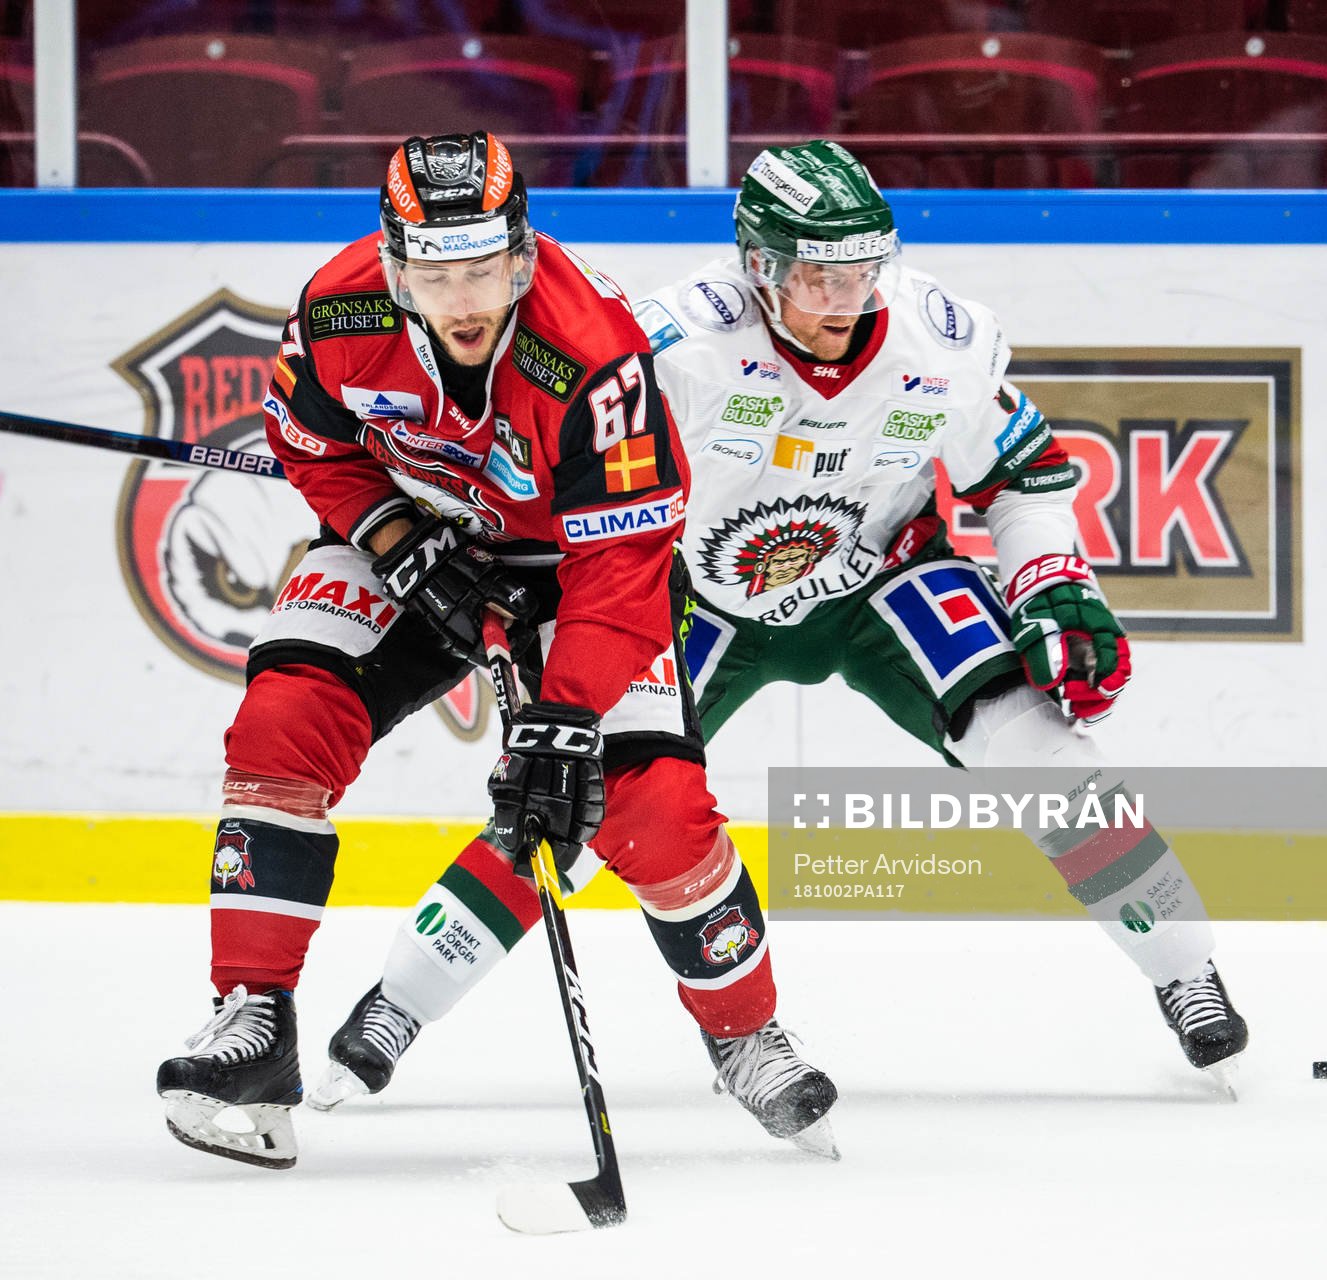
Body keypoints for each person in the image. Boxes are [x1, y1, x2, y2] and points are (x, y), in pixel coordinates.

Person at [310, 140, 1249, 1112]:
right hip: (693, 597)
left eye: (862, 270)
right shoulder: (672, 345)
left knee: (1039, 748)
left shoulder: (939, 339)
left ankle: (1185, 964)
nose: (843, 300)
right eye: (815, 274)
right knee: (571, 791)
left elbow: (1023, 472)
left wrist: (1053, 579)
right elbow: (561, 474)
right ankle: (400, 1001)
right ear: (759, 265)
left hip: (884, 577)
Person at [154, 132, 838, 1170]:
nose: (462, 297)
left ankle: (744, 1031)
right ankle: (254, 1019)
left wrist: (564, 716)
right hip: (419, 543)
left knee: (647, 797)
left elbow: (629, 552)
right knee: (284, 715)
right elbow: (311, 441)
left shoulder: (592, 349)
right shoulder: (338, 310)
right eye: (434, 271)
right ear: (393, 264)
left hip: (581, 571)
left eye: (482, 268)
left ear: (522, 254)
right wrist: (390, 533)